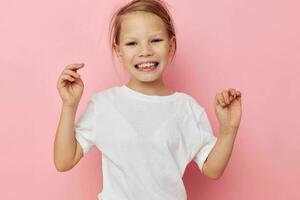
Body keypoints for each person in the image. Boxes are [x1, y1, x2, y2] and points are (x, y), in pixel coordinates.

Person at [53, 0, 242, 199]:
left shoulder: (186, 108)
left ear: (171, 45)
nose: (145, 51)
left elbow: (212, 169)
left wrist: (228, 130)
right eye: (132, 43)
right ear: (118, 50)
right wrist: (69, 106)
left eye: (156, 40)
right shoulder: (103, 105)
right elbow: (64, 161)